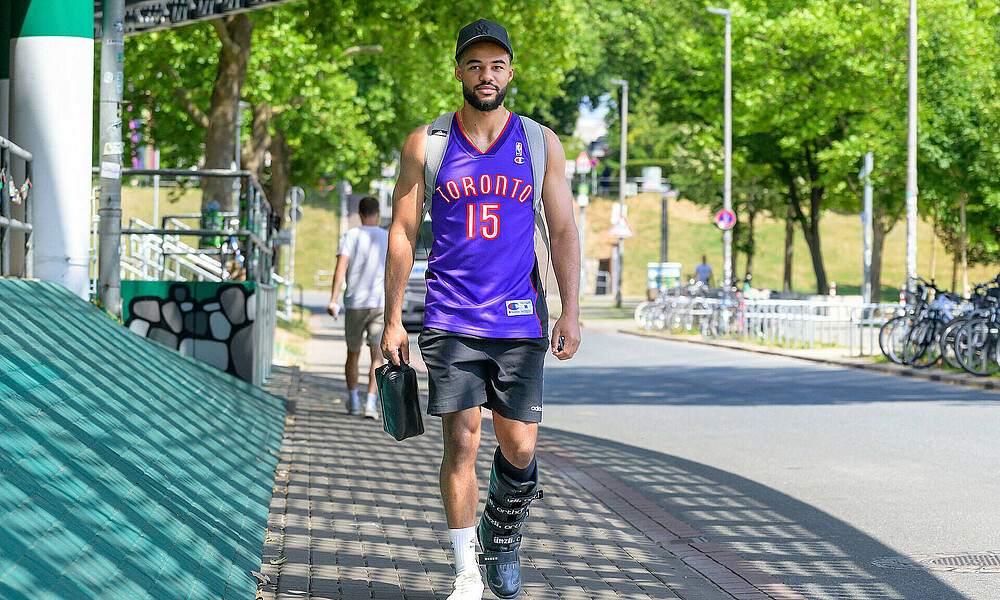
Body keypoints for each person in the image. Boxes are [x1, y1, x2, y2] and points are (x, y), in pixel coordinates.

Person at [380, 19, 581, 600]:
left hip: (521, 319)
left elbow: (563, 229)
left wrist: (570, 311)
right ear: (461, 71)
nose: (485, 75)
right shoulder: (430, 143)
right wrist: (393, 318)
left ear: (510, 73)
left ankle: (503, 531)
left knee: (519, 447)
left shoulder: (541, 143)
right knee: (461, 442)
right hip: (450, 316)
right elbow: (403, 228)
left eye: (496, 66)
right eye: (474, 65)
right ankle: (467, 571)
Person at [327, 196, 389, 419]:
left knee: (352, 354)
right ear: (378, 214)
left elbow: (340, 270)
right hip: (380, 303)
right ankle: (370, 405)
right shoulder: (387, 237)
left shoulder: (350, 236)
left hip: (355, 304)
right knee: (377, 357)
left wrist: (333, 300)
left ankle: (353, 401)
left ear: (360, 215)